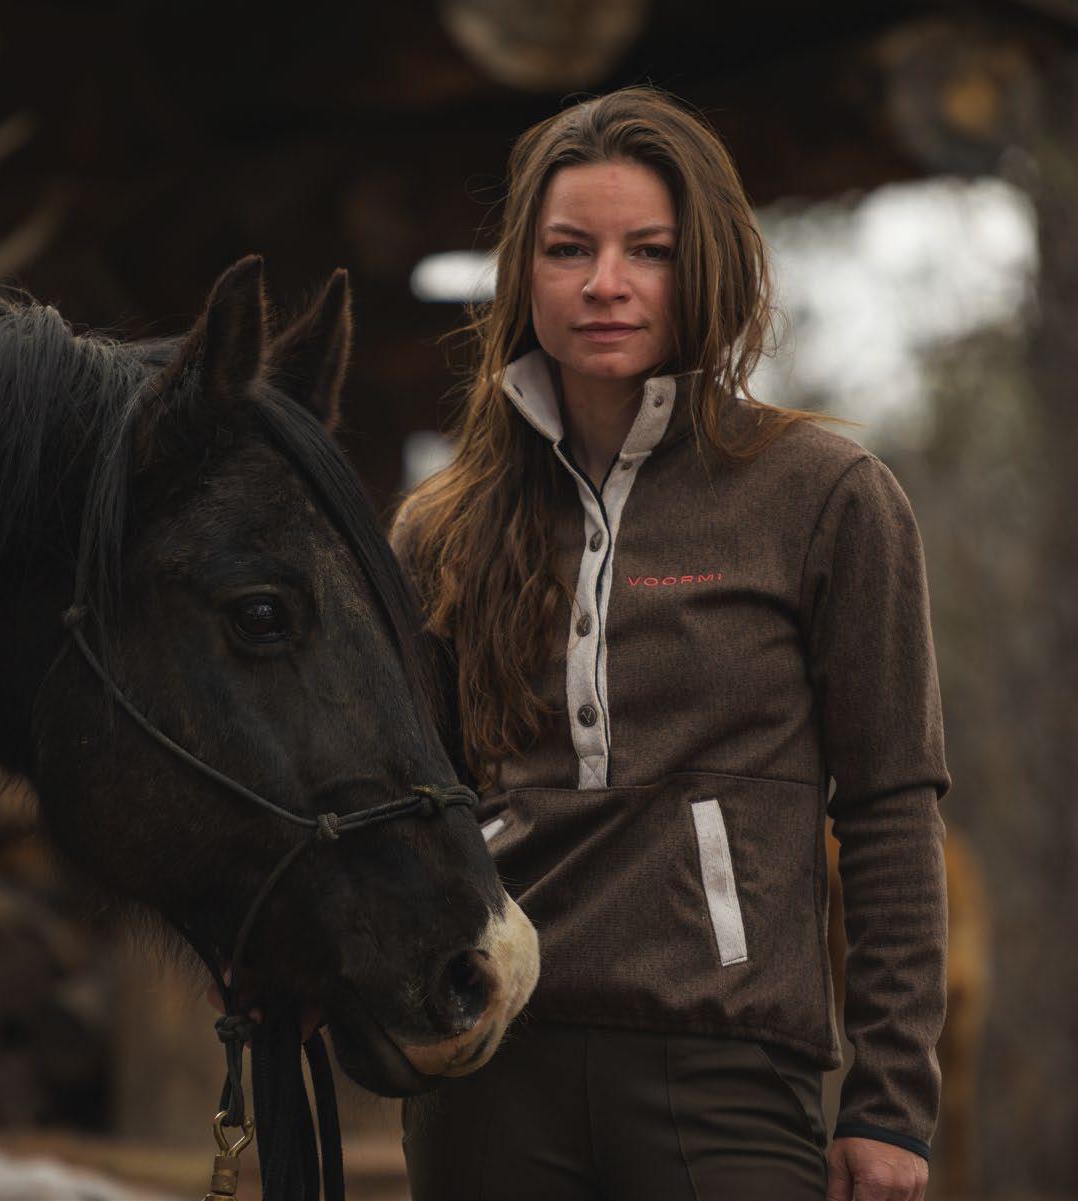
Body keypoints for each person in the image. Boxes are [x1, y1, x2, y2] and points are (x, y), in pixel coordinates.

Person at [391, 86, 948, 1201]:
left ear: (707, 268)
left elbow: (889, 805)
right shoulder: (438, 529)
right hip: (490, 1078)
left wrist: (890, 1101)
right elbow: (405, 807)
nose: (606, 283)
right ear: (523, 273)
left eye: (647, 250)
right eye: (568, 249)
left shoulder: (823, 497)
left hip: (728, 1069)